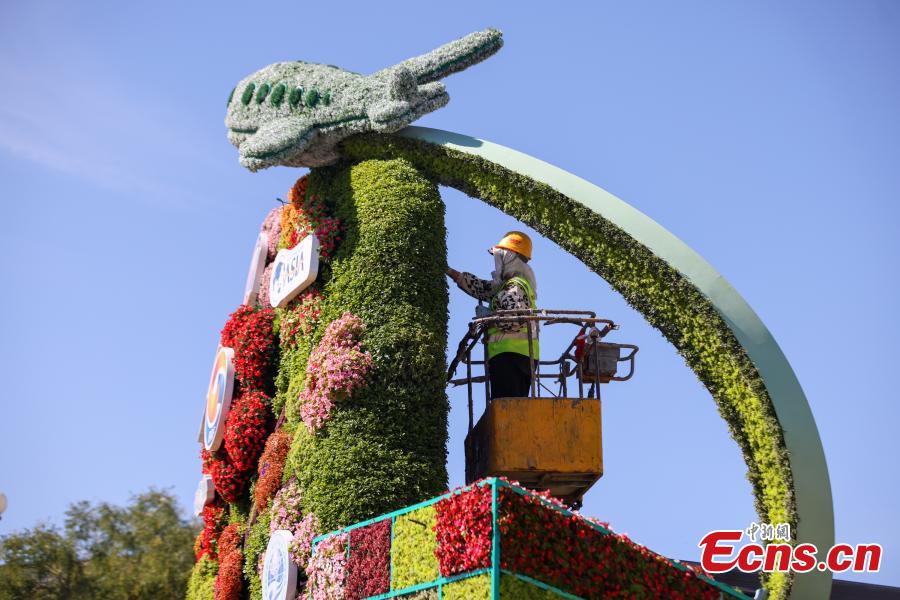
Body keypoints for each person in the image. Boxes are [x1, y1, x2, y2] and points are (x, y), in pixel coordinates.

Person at [447, 231, 538, 399]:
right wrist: (452, 273)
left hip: (511, 358)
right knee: (511, 407)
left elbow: (514, 319)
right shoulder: (507, 286)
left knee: (508, 407)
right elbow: (483, 289)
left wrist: (490, 318)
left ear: (508, 258)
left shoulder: (515, 287)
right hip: (516, 357)